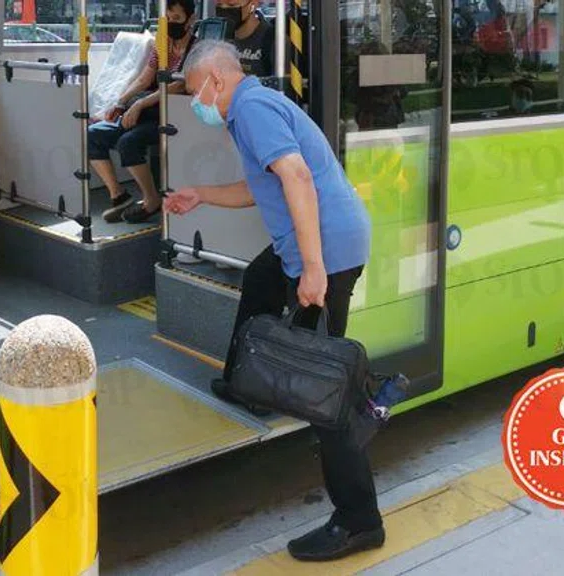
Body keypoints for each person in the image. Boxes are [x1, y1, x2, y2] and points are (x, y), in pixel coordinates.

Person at [166, 40, 408, 562]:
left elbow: (297, 176)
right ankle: (248, 382)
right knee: (259, 281)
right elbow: (262, 186)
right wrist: (201, 195)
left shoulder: (251, 109)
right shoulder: (250, 109)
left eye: (194, 92)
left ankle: (359, 519)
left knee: (324, 385)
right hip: (310, 246)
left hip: (329, 250)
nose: (194, 104)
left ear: (218, 80)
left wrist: (313, 267)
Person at [88, 0, 197, 224]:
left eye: (176, 19)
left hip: (173, 113)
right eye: (167, 19)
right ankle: (119, 196)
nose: (171, 24)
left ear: (191, 20)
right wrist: (121, 102)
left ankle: (151, 199)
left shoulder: (197, 48)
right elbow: (145, 78)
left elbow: (179, 85)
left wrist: (139, 105)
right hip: (149, 108)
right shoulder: (162, 43)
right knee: (93, 134)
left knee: (128, 142)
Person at [216, 0, 274, 78]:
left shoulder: (272, 40)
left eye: (232, 5)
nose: (224, 9)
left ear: (253, 4)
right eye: (219, 5)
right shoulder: (215, 36)